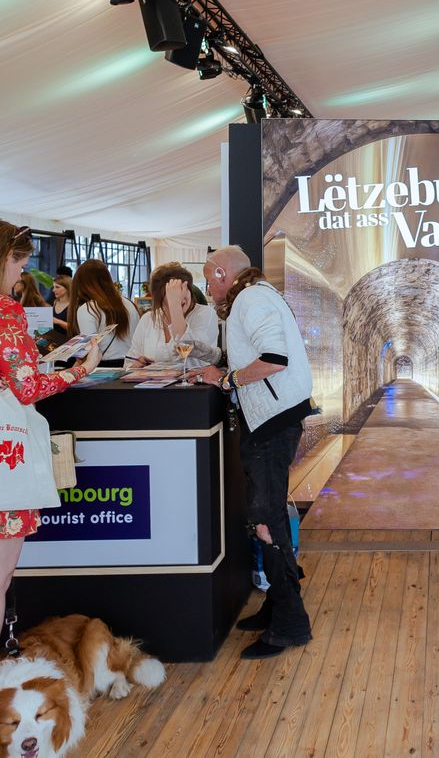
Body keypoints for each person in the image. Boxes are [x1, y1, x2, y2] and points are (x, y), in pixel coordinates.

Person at [0, 220, 99, 735]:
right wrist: (81, 367)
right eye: (20, 264)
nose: (22, 275)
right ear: (1, 258)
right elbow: (26, 389)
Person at [193, 246, 314, 659]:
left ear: (222, 274)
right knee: (269, 515)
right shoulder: (254, 296)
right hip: (272, 420)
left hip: (273, 422)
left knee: (265, 520)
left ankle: (291, 624)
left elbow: (274, 359)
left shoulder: (250, 299)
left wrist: (227, 380)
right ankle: (277, 606)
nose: (207, 287)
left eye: (208, 278)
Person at [124, 263, 220, 368]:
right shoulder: (148, 319)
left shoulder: (205, 314)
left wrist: (175, 307)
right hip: (150, 378)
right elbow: (129, 362)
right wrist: (136, 365)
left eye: (183, 289)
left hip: (194, 378)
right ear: (159, 297)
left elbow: (188, 357)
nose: (181, 297)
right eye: (173, 293)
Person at [69, 259, 140, 367]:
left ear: (81, 284)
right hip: (132, 366)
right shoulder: (129, 304)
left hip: (101, 368)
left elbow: (89, 349)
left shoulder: (88, 308)